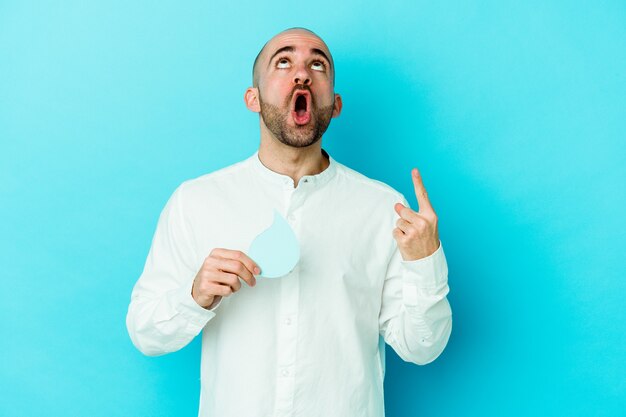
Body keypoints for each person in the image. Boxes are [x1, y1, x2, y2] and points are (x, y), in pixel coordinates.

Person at [126, 27, 452, 417]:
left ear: (335, 104)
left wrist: (425, 261)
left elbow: (422, 347)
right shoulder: (195, 201)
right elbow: (145, 333)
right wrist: (194, 295)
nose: (302, 74)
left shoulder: (384, 208)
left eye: (318, 64)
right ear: (253, 99)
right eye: (283, 62)